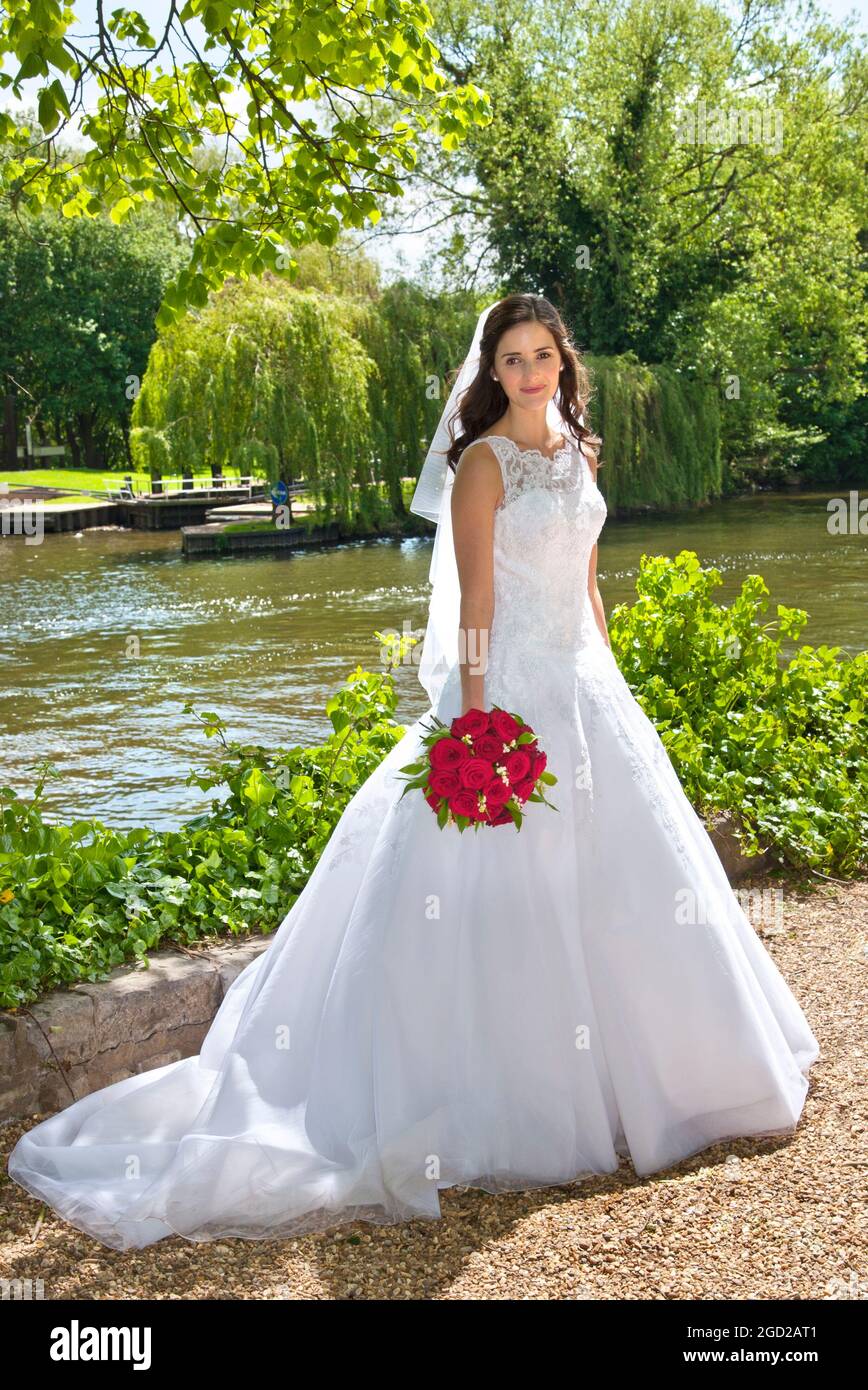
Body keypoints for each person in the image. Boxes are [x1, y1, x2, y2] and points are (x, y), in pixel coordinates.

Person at [7, 294, 819, 1251]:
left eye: (543, 355)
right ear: (492, 374)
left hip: (588, 689)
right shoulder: (482, 466)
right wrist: (475, 722)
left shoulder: (585, 454)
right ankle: (512, 1100)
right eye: (511, 360)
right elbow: (477, 602)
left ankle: (671, 1083)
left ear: (565, 361)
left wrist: (620, 692)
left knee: (623, 878)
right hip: (506, 693)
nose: (529, 373)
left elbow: (591, 587)